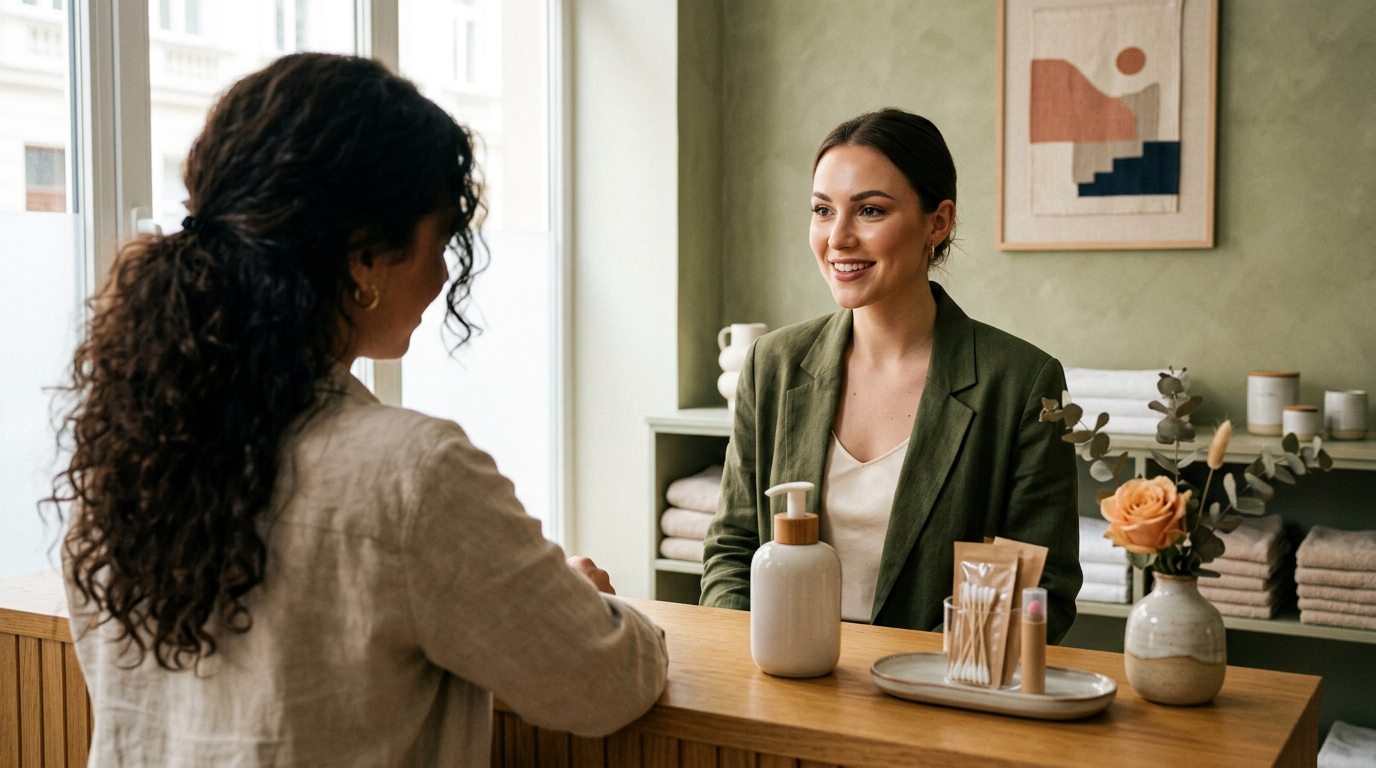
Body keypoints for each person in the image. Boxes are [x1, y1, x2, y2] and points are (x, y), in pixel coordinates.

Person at [53, 54, 666, 766]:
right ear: (365, 257)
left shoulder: (125, 451)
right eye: (441, 240)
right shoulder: (412, 473)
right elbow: (603, 683)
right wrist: (582, 606)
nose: (443, 273)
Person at [699, 108, 1081, 642]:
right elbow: (733, 552)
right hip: (783, 675)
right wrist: (756, 661)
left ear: (938, 222)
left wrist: (920, 675)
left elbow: (1040, 588)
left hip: (936, 684)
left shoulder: (1021, 383)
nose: (838, 238)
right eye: (822, 210)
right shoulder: (773, 365)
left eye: (870, 211)